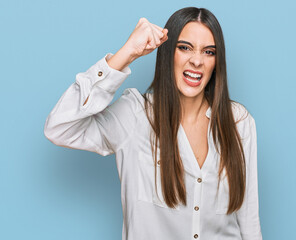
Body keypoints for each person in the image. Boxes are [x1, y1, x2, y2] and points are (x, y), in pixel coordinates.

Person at [44, 7, 262, 240]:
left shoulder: (239, 122)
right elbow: (59, 128)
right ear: (168, 53)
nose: (197, 60)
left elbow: (248, 221)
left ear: (217, 62)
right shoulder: (135, 115)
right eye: (185, 47)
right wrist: (126, 54)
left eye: (209, 52)